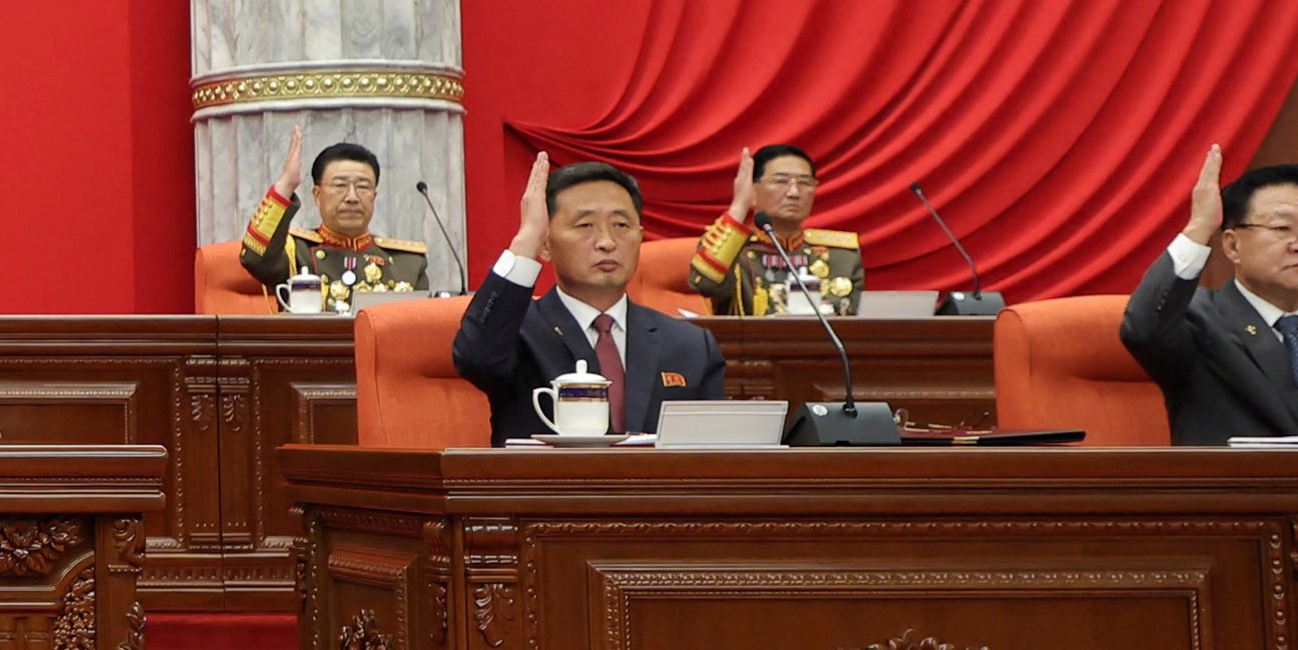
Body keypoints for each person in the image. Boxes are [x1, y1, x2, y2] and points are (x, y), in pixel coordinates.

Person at [1121, 147, 1298, 447]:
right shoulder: (1196, 320)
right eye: (1282, 228)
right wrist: (1200, 227)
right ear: (1232, 246)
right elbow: (1142, 327)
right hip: (1242, 490)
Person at [452, 154, 724, 442]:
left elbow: (718, 450)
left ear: (640, 236)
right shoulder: (518, 332)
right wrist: (526, 240)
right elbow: (475, 357)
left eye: (621, 225)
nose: (607, 242)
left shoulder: (690, 344)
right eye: (585, 226)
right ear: (545, 244)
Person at [234, 123, 433, 306]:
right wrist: (286, 185)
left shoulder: (406, 262)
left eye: (363, 187)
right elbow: (254, 257)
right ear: (318, 195)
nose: (352, 197)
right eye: (340, 186)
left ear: (374, 196)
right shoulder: (296, 252)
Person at [685, 142, 862, 315]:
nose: (794, 192)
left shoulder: (841, 255)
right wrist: (739, 205)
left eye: (804, 182)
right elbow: (704, 283)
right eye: (780, 181)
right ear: (753, 190)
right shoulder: (734, 251)